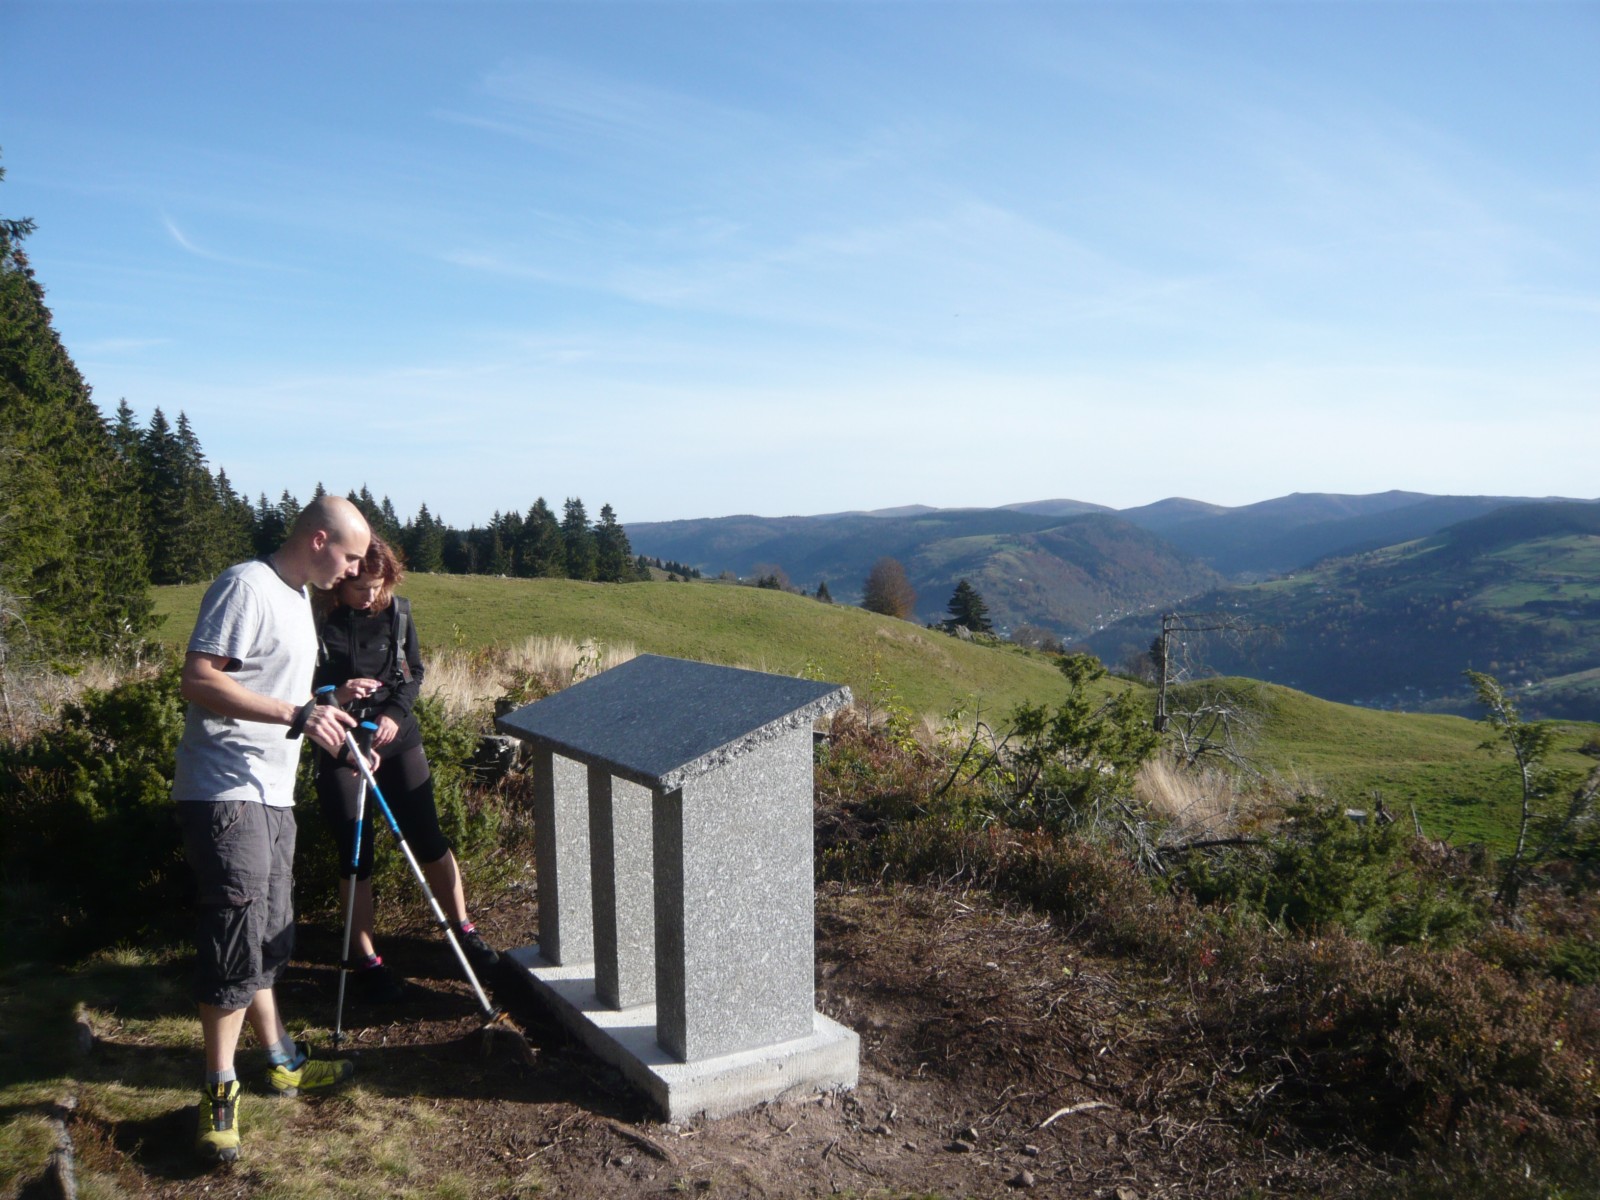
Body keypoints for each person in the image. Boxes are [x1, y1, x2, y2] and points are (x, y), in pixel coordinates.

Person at [174, 494, 373, 1164]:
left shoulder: (295, 599)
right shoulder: (245, 586)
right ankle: (218, 1089)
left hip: (272, 793)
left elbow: (273, 691)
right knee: (235, 936)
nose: (351, 572)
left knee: (265, 931)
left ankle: (281, 1059)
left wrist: (328, 709)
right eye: (347, 556)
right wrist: (296, 712)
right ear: (318, 540)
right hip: (226, 791)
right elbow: (199, 680)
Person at [311, 534, 499, 1006]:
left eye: (378, 586)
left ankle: (464, 929)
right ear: (341, 581)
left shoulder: (399, 612)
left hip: (397, 739)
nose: (370, 596)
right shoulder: (314, 618)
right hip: (340, 744)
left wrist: (394, 715)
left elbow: (412, 672)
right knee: (358, 854)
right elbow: (298, 686)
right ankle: (366, 958)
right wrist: (336, 695)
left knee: (428, 835)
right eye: (360, 588)